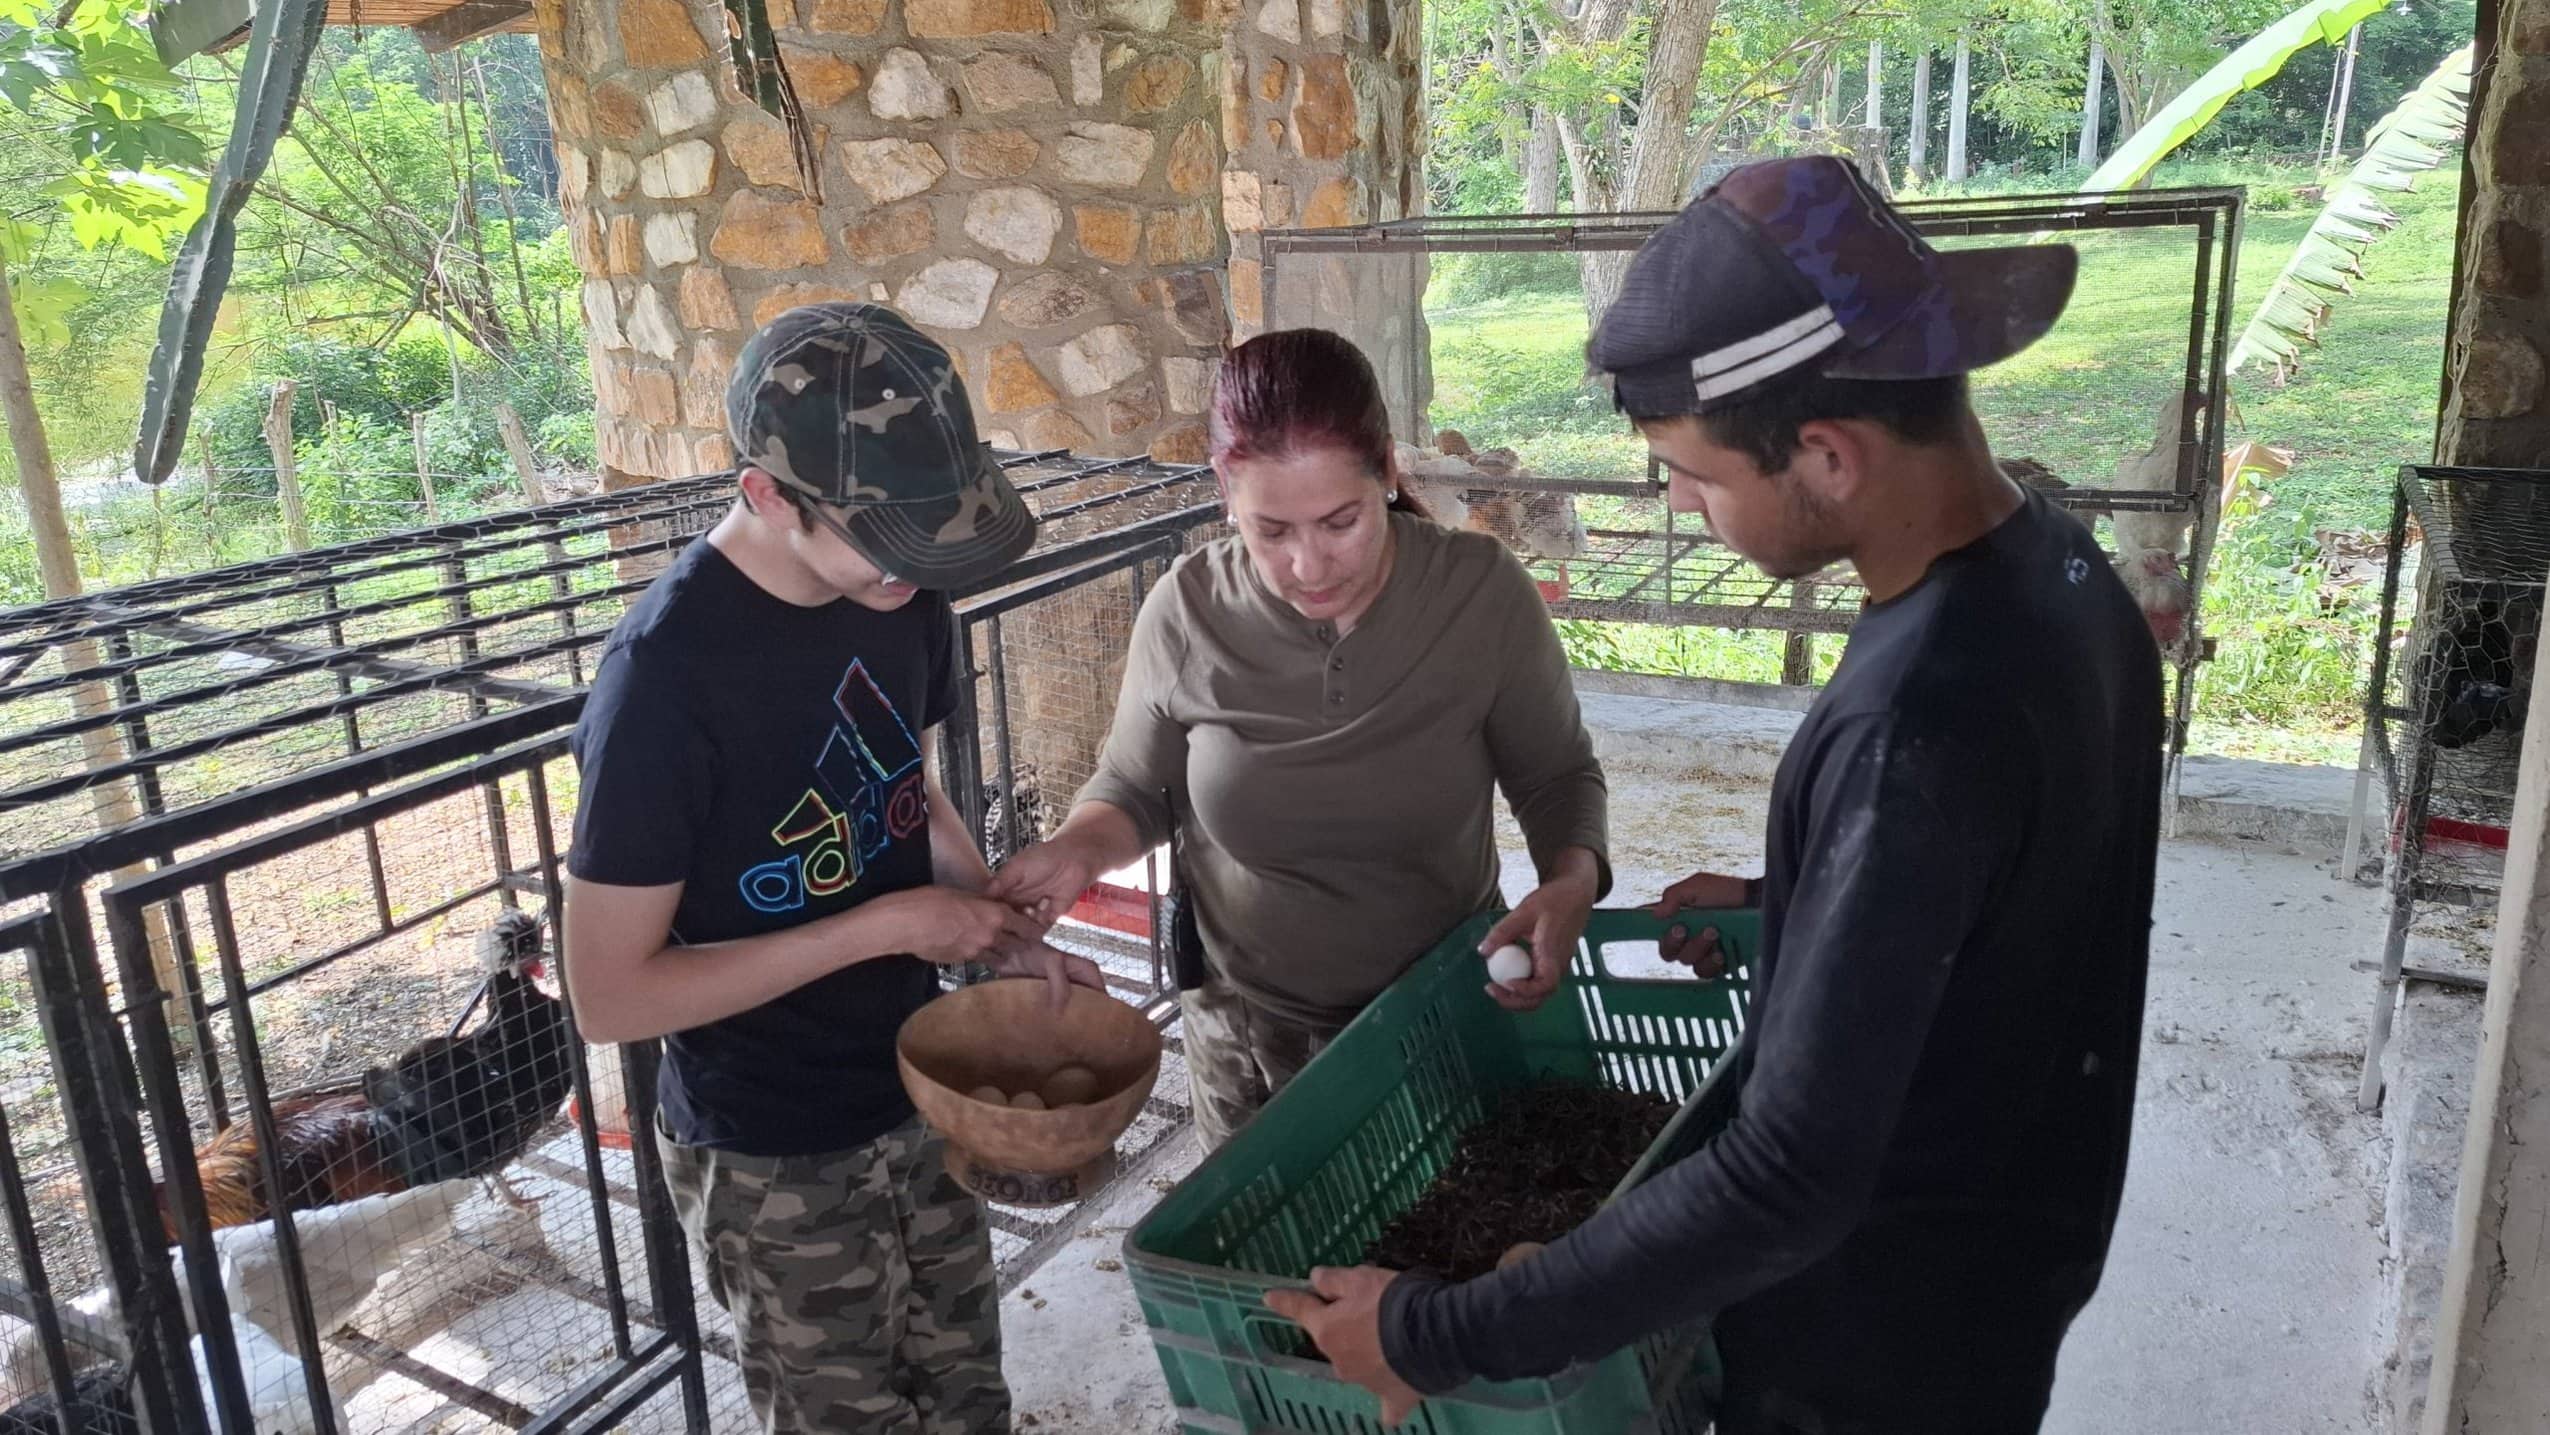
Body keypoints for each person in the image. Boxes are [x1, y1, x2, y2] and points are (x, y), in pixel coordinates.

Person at [1270, 155, 2165, 1434]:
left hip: (1869, 1343)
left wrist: (1431, 1330)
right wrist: (1797, 903)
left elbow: (1786, 1177)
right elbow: (2015, 884)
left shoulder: (1914, 724)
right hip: (2004, 1259)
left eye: (1693, 475)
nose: (1680, 504)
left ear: (1826, 452)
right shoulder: (2060, 580)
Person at [561, 301, 1102, 1435]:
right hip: (769, 1141)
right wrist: (885, 927)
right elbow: (611, 995)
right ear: (765, 495)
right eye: (888, 540)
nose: (919, 567)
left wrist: (997, 927)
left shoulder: (903, 590)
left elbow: (904, 774)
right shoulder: (663, 683)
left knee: (966, 1388)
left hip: (918, 1079)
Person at [989, 328, 1613, 1149]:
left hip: (1442, 1006)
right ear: (1223, 488)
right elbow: (1136, 788)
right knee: (1266, 1268)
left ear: (1388, 470)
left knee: (1442, 1252)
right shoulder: (1188, 611)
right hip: (1252, 1033)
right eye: (1271, 531)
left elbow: (1557, 775)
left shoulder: (1480, 595)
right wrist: (1075, 850)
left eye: (1342, 521)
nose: (1311, 565)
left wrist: (1569, 881)